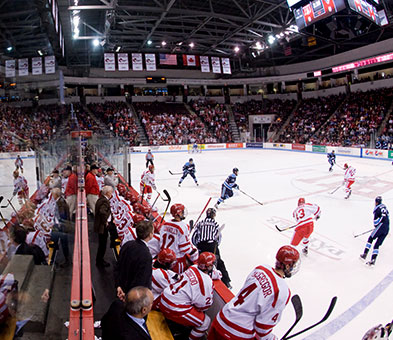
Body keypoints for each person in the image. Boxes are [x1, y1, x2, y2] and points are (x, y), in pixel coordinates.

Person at [208, 246, 300, 340]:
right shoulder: (282, 290)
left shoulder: (260, 268)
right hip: (238, 333)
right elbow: (262, 329)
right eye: (294, 264)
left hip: (221, 319)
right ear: (287, 266)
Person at [160, 252, 216, 340]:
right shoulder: (207, 282)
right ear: (207, 266)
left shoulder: (193, 267)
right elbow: (204, 306)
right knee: (205, 322)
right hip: (174, 307)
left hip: (164, 298)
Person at [191, 208, 231, 288]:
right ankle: (226, 282)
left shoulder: (200, 223)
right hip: (211, 245)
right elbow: (218, 237)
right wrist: (215, 245)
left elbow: (194, 237)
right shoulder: (214, 223)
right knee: (218, 262)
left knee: (202, 262)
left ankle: (200, 280)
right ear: (213, 215)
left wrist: (198, 245)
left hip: (201, 245)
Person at [115, 221, 154, 302]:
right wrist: (129, 296)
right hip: (131, 297)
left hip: (121, 289)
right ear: (150, 235)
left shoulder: (127, 244)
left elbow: (118, 266)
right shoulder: (146, 255)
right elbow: (142, 281)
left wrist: (118, 285)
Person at [159, 203, 199, 273]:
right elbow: (184, 248)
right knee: (176, 280)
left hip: (163, 257)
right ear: (178, 213)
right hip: (176, 260)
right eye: (182, 212)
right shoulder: (183, 226)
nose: (183, 213)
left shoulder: (165, 224)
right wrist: (193, 251)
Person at [360, 196, 390, 266]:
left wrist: (377, 227)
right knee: (377, 245)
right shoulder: (384, 207)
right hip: (387, 228)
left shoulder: (377, 210)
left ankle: (365, 254)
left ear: (376, 202)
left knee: (370, 238)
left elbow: (376, 222)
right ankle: (373, 260)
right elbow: (386, 216)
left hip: (381, 227)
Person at [94, 185, 114, 267]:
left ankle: (100, 260)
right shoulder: (104, 201)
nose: (111, 194)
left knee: (102, 244)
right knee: (102, 244)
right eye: (111, 192)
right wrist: (105, 221)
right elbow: (102, 211)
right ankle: (100, 261)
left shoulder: (101, 199)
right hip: (102, 227)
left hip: (100, 225)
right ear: (108, 193)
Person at [51, 188, 70, 267]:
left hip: (61, 228)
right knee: (62, 244)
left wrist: (58, 224)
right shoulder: (61, 201)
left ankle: (55, 261)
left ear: (55, 195)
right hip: (62, 226)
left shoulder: (60, 203)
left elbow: (62, 215)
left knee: (60, 243)